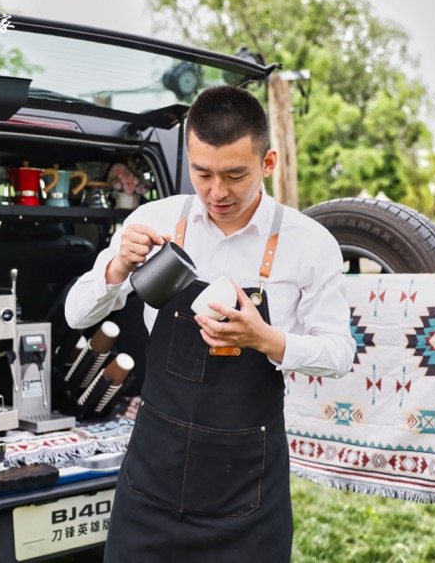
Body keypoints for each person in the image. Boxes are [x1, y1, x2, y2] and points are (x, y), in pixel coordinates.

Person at [65, 85, 355, 562]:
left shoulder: (309, 244)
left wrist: (265, 339)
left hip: (245, 492)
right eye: (202, 173)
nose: (217, 192)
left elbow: (339, 354)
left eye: (235, 175)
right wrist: (117, 268)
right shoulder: (154, 220)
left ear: (268, 163)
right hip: (150, 483)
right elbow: (78, 314)